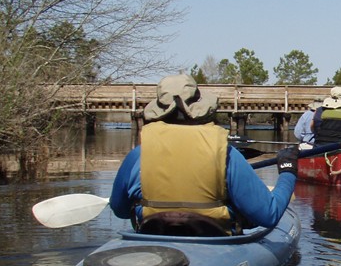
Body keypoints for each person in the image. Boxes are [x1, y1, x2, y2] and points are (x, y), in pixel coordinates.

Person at [110, 74, 297, 235]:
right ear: (201, 110)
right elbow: (269, 215)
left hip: (152, 237)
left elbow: (120, 210)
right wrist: (288, 172)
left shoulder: (137, 156)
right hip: (213, 240)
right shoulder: (227, 155)